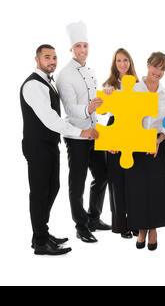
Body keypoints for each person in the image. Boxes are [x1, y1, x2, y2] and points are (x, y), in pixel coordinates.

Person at [21, 44, 98, 255]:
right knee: (39, 194)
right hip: (38, 147)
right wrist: (82, 133)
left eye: (54, 57)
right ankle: (40, 242)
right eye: (47, 57)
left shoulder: (47, 82)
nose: (52, 61)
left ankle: (41, 234)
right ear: (37, 60)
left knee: (51, 189)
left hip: (48, 146)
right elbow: (51, 120)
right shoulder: (33, 85)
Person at [56, 21, 110, 244]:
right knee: (77, 182)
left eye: (85, 46)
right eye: (78, 46)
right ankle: (81, 226)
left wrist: (107, 96)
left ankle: (94, 217)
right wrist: (88, 109)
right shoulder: (64, 75)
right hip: (77, 135)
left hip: (95, 133)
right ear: (71, 49)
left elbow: (97, 102)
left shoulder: (91, 70)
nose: (83, 50)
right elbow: (69, 108)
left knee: (103, 175)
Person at [126, 52, 165, 251]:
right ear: (147, 65)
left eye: (162, 69)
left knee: (156, 189)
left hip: (157, 143)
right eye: (155, 67)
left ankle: (153, 228)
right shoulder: (134, 89)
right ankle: (141, 229)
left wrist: (160, 139)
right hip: (135, 143)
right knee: (138, 188)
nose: (158, 72)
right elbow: (123, 117)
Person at [102, 48, 139, 239]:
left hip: (134, 133)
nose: (122, 63)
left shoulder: (139, 85)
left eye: (126, 60)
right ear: (114, 64)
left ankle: (135, 221)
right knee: (117, 181)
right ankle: (120, 225)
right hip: (115, 131)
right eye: (119, 60)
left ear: (130, 62)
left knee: (133, 181)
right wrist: (109, 141)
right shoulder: (109, 85)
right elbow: (100, 114)